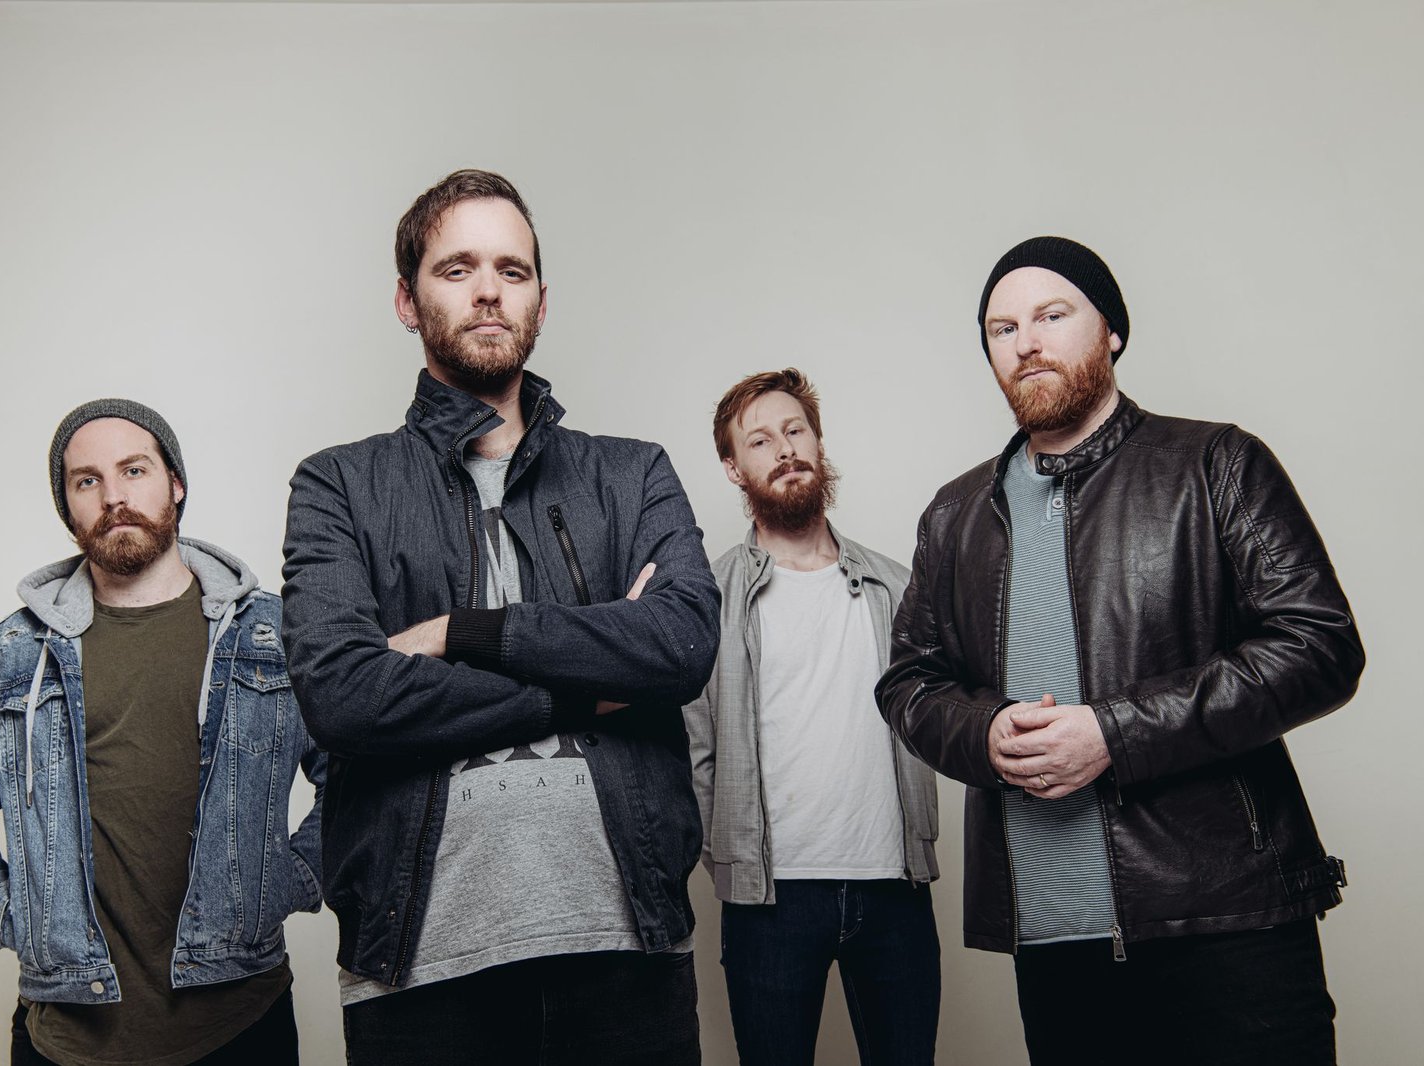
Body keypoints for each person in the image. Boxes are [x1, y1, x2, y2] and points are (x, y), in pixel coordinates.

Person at [877, 236, 1364, 1065]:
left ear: (1112, 331)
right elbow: (910, 683)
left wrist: (1115, 732)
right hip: (1053, 941)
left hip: (1226, 923)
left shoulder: (1216, 462)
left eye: (1051, 315)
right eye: (1002, 328)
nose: (1026, 342)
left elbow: (1319, 643)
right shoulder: (954, 514)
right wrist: (984, 734)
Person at [281, 169, 720, 1065]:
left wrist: (461, 635)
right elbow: (344, 697)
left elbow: (680, 644)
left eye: (512, 271)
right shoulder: (338, 485)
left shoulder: (632, 472)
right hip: (420, 969)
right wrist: (584, 688)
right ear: (407, 301)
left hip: (629, 951)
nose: (488, 290)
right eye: (458, 268)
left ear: (540, 302)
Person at [0, 399, 325, 1066]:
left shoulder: (275, 637)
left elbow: (358, 779)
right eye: (87, 480)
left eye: (134, 470)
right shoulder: (4, 658)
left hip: (241, 1025)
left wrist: (294, 877)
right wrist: (4, 913)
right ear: (68, 508)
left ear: (175, 483)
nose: (113, 497)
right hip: (64, 1040)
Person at [685, 369, 941, 1065]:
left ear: (818, 443)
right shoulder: (708, 597)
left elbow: (935, 715)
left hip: (895, 888)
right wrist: (729, 859)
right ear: (734, 468)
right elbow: (695, 750)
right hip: (769, 900)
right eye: (760, 440)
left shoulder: (896, 586)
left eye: (795, 430)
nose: (785, 449)